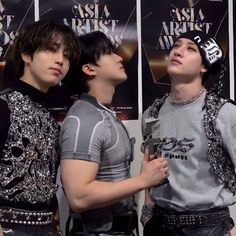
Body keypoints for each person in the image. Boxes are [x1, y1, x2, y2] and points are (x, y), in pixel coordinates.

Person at [59, 31, 169, 236]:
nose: (119, 57)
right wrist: (143, 180)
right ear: (89, 68)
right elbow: (78, 197)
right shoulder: (84, 119)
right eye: (109, 53)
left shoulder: (103, 113)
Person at [140, 30, 236, 236]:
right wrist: (147, 213)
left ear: (204, 66)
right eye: (176, 45)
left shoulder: (224, 113)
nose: (178, 51)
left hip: (208, 227)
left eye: (190, 48)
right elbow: (152, 169)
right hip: (160, 225)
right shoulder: (152, 114)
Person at [0, 20, 80, 235]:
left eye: (66, 55)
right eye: (51, 50)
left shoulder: (50, 118)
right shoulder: (5, 106)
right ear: (26, 55)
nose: (60, 60)